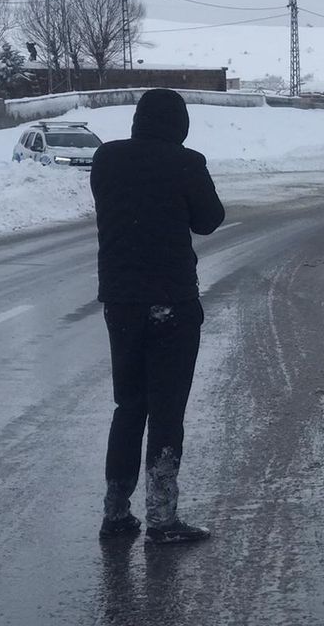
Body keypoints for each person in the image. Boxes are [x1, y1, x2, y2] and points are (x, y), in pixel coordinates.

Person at [91, 89, 225, 544]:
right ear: (179, 124)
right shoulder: (185, 162)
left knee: (128, 406)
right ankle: (163, 517)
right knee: (167, 410)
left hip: (120, 303)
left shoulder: (105, 159)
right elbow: (209, 219)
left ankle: (115, 512)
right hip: (172, 301)